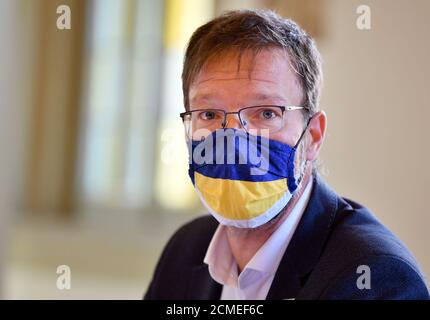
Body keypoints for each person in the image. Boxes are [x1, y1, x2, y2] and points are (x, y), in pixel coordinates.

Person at [144, 9, 429, 300]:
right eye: (209, 114)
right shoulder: (184, 253)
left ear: (314, 135)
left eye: (266, 113)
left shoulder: (375, 277)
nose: (233, 140)